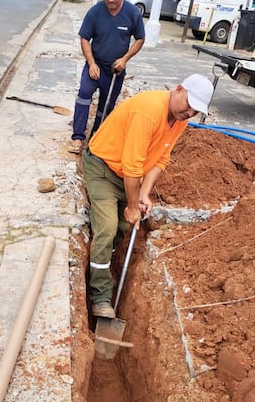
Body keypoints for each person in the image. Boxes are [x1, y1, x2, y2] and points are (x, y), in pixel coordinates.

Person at [82, 74, 214, 318]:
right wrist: (132, 206)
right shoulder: (148, 111)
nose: (189, 113)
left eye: (196, 111)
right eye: (189, 105)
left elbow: (162, 159)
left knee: (123, 226)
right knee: (108, 226)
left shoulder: (179, 120)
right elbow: (132, 167)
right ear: (178, 89)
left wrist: (143, 195)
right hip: (102, 167)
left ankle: (103, 263)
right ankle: (100, 297)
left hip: (127, 175)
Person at [68, 0, 145, 154]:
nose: (110, 0)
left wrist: (124, 59)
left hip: (115, 71)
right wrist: (91, 63)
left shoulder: (132, 13)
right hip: (95, 65)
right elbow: (85, 38)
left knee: (106, 106)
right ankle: (78, 138)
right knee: (84, 95)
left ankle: (96, 139)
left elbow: (140, 39)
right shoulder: (95, 12)